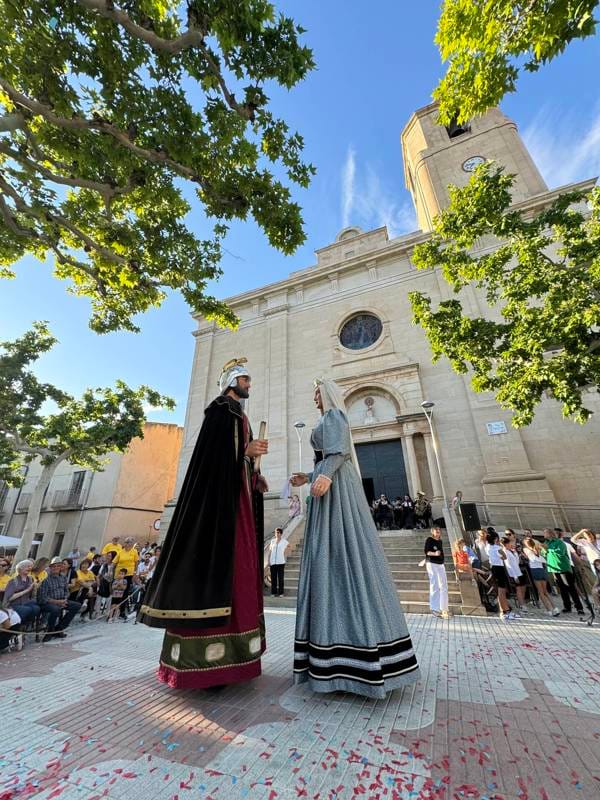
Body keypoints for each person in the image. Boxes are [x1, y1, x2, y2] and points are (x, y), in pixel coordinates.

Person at [139, 357, 268, 690]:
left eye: (249, 380)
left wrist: (254, 473)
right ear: (231, 381)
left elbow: (236, 460)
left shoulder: (240, 415)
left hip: (235, 504)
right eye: (245, 379)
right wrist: (245, 453)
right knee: (221, 574)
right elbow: (213, 461)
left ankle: (235, 661)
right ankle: (206, 667)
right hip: (218, 514)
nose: (249, 385)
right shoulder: (221, 410)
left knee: (241, 575)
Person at [290, 378, 419, 698]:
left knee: (338, 551)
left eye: (317, 391)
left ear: (328, 394)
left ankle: (356, 656)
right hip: (329, 484)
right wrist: (308, 476)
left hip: (335, 487)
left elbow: (338, 452)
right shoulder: (326, 420)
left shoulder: (334, 417)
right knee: (330, 555)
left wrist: (324, 475)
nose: (314, 395)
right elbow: (327, 456)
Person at [38, 557, 82, 640]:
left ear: (61, 567)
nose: (56, 568)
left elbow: (67, 591)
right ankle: (50, 631)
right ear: (50, 568)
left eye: (58, 566)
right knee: (55, 609)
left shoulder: (63, 578)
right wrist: (57, 602)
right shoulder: (45, 579)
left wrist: (64, 600)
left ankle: (59, 628)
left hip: (61, 600)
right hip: (48, 603)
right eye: (53, 566)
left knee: (77, 605)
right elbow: (42, 598)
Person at [544, 528, 584, 616]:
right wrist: (543, 549)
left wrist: (549, 549)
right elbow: (544, 553)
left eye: (546, 533)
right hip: (554, 569)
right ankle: (567, 607)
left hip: (563, 568)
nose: (544, 535)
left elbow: (560, 552)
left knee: (571, 588)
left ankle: (579, 608)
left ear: (550, 534)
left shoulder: (559, 542)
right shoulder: (546, 543)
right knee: (562, 589)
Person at [522, 537, 560, 616]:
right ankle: (555, 608)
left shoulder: (527, 550)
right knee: (545, 591)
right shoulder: (537, 548)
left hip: (535, 570)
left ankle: (548, 610)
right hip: (542, 570)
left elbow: (530, 558)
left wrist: (523, 555)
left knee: (540, 592)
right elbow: (542, 558)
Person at [487, 531, 519, 620]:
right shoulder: (497, 547)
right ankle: (504, 612)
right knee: (502, 591)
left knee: (501, 590)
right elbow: (504, 557)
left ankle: (506, 610)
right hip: (499, 568)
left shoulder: (488, 547)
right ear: (496, 539)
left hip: (494, 568)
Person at [3, 560, 40, 626]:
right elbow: (9, 598)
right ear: (20, 569)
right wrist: (27, 590)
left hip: (25, 602)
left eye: (30, 566)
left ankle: (25, 625)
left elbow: (32, 595)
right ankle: (19, 627)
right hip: (13, 604)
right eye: (27, 566)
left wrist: (35, 587)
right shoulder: (14, 581)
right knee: (27, 610)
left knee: (36, 608)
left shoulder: (30, 579)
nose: (29, 568)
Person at [424, 527, 450, 618]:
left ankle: (444, 608)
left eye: (439, 530)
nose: (438, 531)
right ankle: (435, 609)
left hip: (440, 564)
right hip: (431, 563)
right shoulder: (429, 539)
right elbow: (426, 552)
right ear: (432, 532)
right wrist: (434, 554)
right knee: (434, 584)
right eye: (436, 530)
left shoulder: (440, 541)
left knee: (444, 585)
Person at [113, 537, 139, 619]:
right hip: (119, 575)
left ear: (132, 544)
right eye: (126, 542)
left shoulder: (134, 552)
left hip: (129, 574)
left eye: (129, 542)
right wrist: (110, 571)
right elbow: (114, 563)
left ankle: (122, 612)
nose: (128, 544)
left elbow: (136, 563)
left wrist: (135, 574)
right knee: (116, 592)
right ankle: (113, 611)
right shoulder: (120, 551)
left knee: (124, 593)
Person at [501, 536, 528, 613]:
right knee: (518, 589)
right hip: (513, 573)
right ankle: (523, 606)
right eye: (509, 543)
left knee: (523, 587)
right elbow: (508, 565)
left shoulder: (511, 551)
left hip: (518, 571)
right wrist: (515, 576)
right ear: (506, 544)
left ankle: (522, 603)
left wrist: (515, 553)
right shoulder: (505, 551)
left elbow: (517, 562)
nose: (511, 544)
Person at [268, 527, 290, 597]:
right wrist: (269, 560)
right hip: (273, 562)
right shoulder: (272, 541)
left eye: (278, 532)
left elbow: (289, 547)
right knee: (273, 578)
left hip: (281, 562)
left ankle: (281, 593)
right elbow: (270, 551)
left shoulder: (284, 541)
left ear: (281, 533)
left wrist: (285, 554)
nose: (276, 534)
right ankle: (273, 593)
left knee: (280, 578)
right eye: (275, 532)